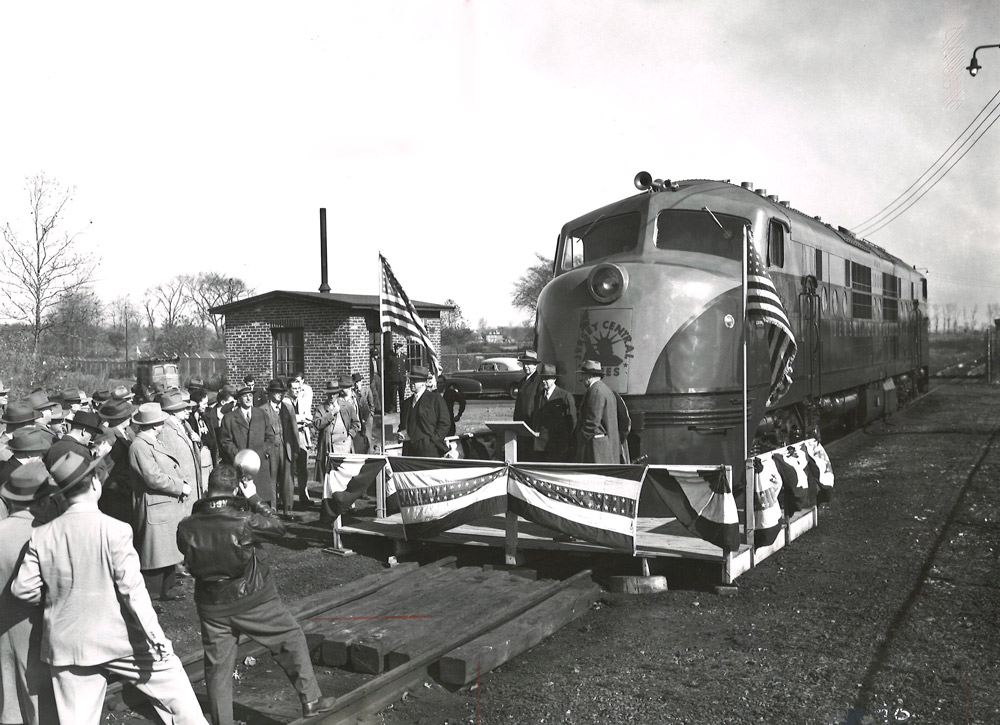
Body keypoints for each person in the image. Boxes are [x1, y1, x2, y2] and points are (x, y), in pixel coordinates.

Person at [12, 449, 207, 725]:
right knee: (175, 689)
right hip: (119, 641)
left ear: (63, 495)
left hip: (67, 645)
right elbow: (134, 593)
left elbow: (22, 590)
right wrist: (157, 638)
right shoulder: (115, 530)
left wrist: (57, 597)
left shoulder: (42, 535)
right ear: (94, 483)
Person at [176, 465, 336, 723]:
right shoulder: (244, 521)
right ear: (235, 489)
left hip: (211, 605)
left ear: (208, 489)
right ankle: (311, 699)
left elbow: (186, 549)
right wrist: (253, 498)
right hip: (252, 599)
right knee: (291, 637)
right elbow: (279, 528)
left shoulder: (186, 526)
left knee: (218, 669)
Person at [0, 462, 57, 725]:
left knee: (7, 692)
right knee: (38, 695)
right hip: (35, 626)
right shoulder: (43, 534)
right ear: (41, 501)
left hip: (3, 626)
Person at [128, 402, 191, 602]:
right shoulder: (139, 446)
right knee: (155, 553)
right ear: (155, 425)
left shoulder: (151, 442)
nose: (163, 425)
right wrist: (180, 486)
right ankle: (152, 595)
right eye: (161, 422)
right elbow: (152, 477)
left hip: (164, 504)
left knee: (167, 549)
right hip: (155, 504)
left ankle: (167, 588)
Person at [218, 385, 274, 504]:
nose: (249, 399)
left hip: (260, 464)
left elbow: (270, 437)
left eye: (250, 395)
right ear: (239, 399)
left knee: (261, 501)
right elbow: (225, 441)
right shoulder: (229, 418)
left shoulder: (261, 414)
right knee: (243, 502)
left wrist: (265, 452)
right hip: (240, 466)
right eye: (245, 396)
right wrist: (239, 456)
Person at [259, 379, 299, 518]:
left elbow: (294, 431)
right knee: (271, 479)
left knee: (287, 480)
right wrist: (263, 451)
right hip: (270, 450)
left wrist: (295, 450)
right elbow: (259, 433)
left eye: (282, 392)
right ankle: (272, 509)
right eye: (276, 392)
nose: (279, 395)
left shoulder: (288, 408)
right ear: (270, 393)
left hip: (286, 448)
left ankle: (288, 509)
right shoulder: (262, 410)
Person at [95, 398, 136, 524]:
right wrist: (112, 485)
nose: (130, 417)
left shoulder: (127, 431)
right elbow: (99, 462)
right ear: (119, 418)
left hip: (127, 489)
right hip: (114, 493)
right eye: (127, 415)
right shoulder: (106, 434)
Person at [573, 359, 620, 464]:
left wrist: (580, 437)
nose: (581, 379)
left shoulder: (595, 391)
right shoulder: (606, 390)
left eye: (582, 375)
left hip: (595, 449)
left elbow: (592, 422)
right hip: (605, 446)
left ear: (589, 376)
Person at [399, 365, 450, 458]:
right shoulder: (406, 403)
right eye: (410, 380)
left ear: (424, 382)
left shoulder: (435, 399)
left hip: (429, 449)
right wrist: (401, 433)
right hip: (409, 450)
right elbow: (403, 425)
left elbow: (445, 423)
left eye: (415, 380)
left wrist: (433, 440)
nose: (411, 383)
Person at [531, 363, 577, 462]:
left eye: (547, 378)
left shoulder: (565, 396)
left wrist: (566, 442)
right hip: (540, 446)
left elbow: (572, 422)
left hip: (558, 446)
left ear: (554, 379)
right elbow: (536, 418)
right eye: (542, 378)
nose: (544, 381)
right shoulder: (538, 396)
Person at [513, 350, 542, 462]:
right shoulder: (522, 381)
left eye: (529, 364)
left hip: (531, 426)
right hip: (521, 426)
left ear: (535, 365)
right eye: (524, 364)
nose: (526, 367)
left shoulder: (539, 381)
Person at [384, 343, 406, 413]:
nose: (397, 350)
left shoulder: (404, 357)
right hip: (393, 380)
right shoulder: (391, 357)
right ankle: (393, 408)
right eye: (396, 348)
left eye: (398, 349)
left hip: (402, 379)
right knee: (393, 395)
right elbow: (387, 368)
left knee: (401, 394)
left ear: (400, 349)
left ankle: (402, 408)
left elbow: (406, 367)